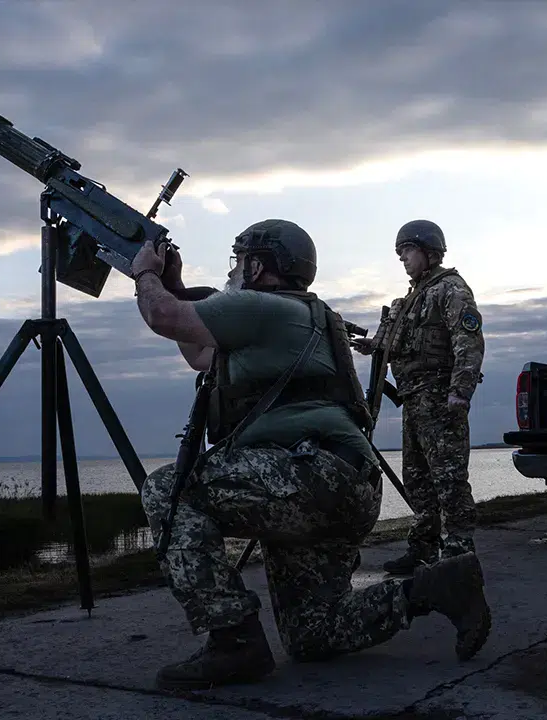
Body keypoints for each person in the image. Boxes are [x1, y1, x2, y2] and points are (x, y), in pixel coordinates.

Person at [130, 218, 492, 690]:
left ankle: (233, 641)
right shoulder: (299, 313)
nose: (234, 271)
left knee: (166, 491)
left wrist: (145, 274)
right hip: (338, 486)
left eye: (239, 261)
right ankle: (435, 588)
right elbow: (200, 352)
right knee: (312, 634)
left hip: (310, 474)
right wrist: (173, 284)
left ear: (258, 267)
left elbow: (164, 317)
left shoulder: (259, 306)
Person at [352, 219, 485, 575]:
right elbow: (400, 344)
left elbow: (468, 341)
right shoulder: (412, 298)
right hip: (413, 400)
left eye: (407, 251)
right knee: (418, 480)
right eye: (400, 254)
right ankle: (423, 549)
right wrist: (374, 345)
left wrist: (460, 391)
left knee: (449, 478)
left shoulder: (451, 290)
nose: (403, 259)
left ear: (428, 251)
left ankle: (458, 554)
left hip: (441, 399)